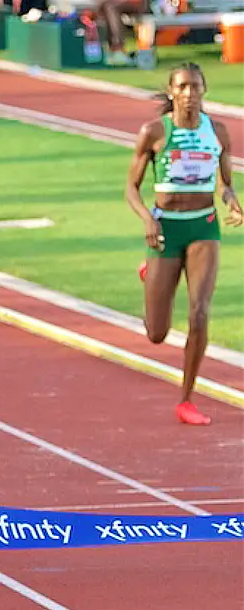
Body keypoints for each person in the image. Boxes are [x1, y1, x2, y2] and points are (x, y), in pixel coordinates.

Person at [126, 63, 242, 427]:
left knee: (200, 313)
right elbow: (130, 186)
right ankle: (152, 274)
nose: (190, 93)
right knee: (157, 333)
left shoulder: (218, 132)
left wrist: (232, 200)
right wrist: (147, 218)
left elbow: (225, 182)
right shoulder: (155, 132)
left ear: (205, 90)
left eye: (196, 86)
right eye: (183, 87)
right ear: (172, 92)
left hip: (203, 228)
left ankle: (187, 398)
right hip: (166, 230)